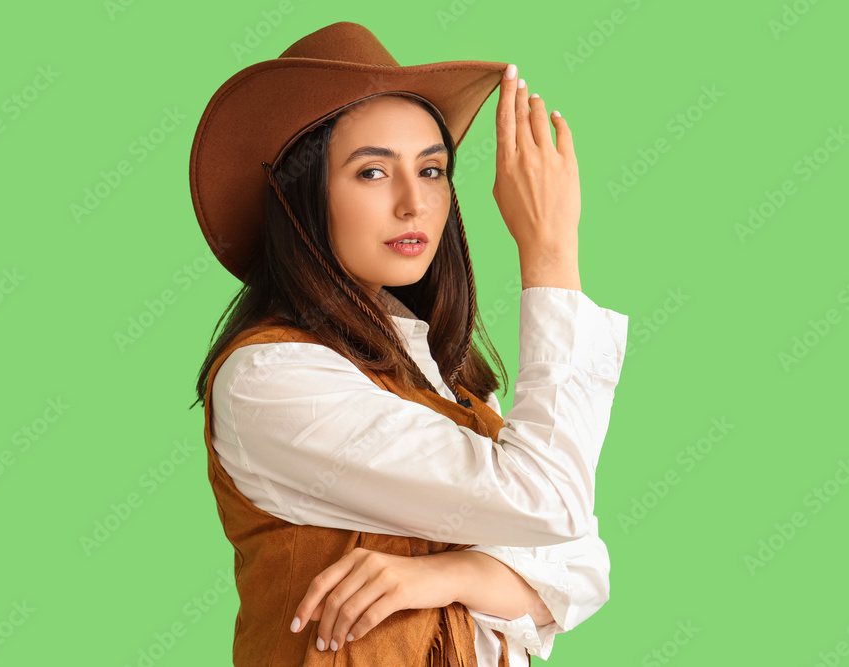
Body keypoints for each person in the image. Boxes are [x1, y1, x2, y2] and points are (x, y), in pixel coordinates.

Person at [188, 21, 629, 666]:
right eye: (372, 172)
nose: (413, 203)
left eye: (431, 170)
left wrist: (449, 576)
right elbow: (550, 503)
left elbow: (583, 561)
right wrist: (551, 256)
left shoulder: (448, 382)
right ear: (303, 198)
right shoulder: (272, 378)